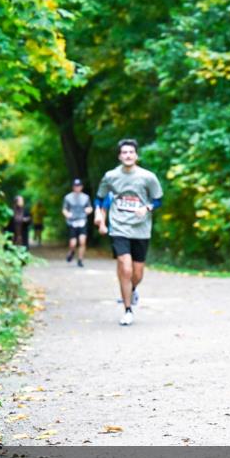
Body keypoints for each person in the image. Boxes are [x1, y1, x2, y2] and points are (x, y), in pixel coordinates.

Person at [94, 139, 164, 326]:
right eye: (124, 152)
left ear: (136, 155)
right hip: (119, 227)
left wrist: (147, 208)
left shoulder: (148, 177)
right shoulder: (110, 176)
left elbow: (158, 200)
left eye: (131, 152)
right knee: (125, 267)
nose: (128, 155)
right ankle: (127, 310)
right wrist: (98, 215)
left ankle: (132, 289)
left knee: (137, 273)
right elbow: (99, 198)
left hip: (141, 229)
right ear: (119, 156)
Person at [62, 179, 93, 267]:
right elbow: (64, 209)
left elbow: (90, 207)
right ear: (73, 187)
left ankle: (80, 260)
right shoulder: (68, 197)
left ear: (81, 187)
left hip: (82, 221)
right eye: (75, 186)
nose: (77, 188)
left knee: (82, 241)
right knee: (73, 244)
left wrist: (89, 210)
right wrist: (67, 214)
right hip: (72, 222)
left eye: (79, 186)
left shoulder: (86, 197)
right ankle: (71, 252)